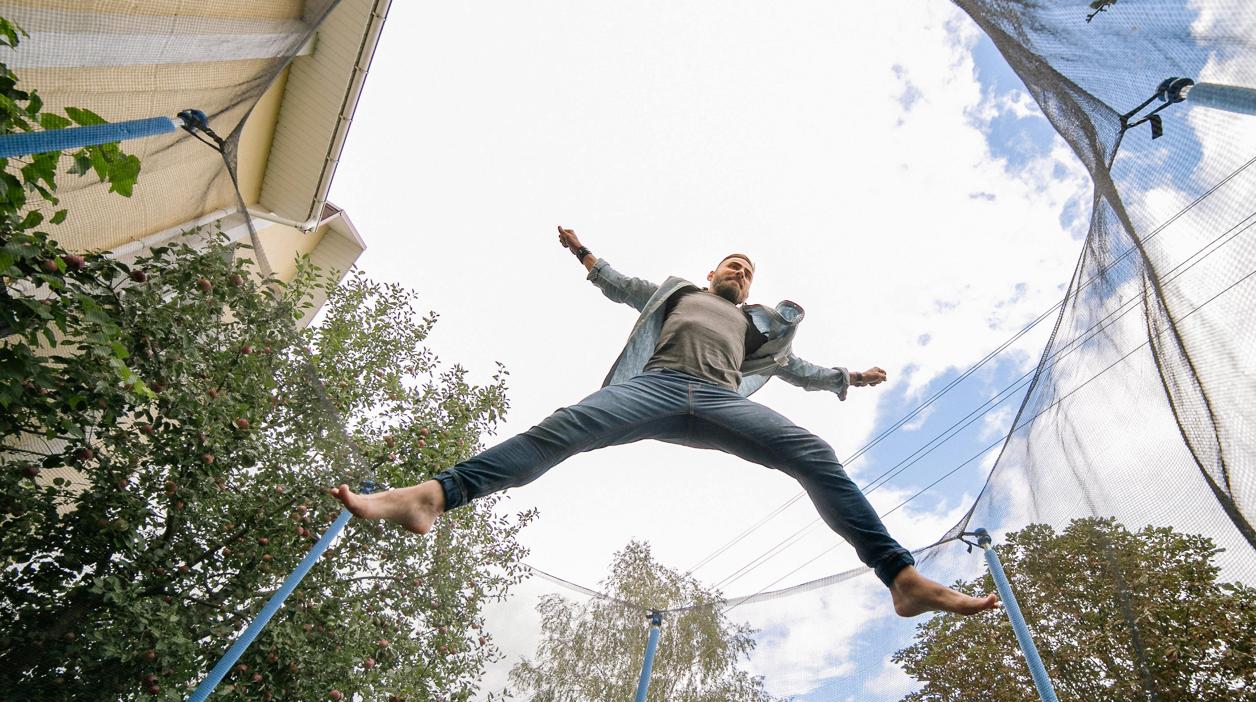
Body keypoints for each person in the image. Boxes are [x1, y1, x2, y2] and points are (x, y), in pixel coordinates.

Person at [332, 227, 998, 618]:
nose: (741, 272)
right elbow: (623, 286)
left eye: (749, 271)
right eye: (732, 265)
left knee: (815, 455)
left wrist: (848, 378)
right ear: (712, 273)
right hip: (653, 390)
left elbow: (799, 370)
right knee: (563, 428)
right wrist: (585, 254)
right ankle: (434, 494)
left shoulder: (756, 327)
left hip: (719, 403)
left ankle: (900, 576)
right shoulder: (678, 292)